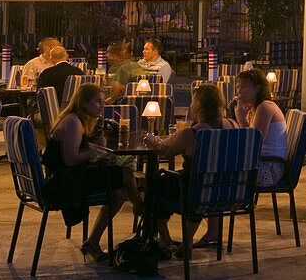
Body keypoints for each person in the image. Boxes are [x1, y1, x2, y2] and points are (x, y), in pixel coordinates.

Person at [43, 83, 143, 262]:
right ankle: (142, 210)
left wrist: (97, 146)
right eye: (98, 102)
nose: (102, 106)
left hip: (69, 177)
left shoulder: (77, 120)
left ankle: (92, 241)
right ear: (84, 103)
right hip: (63, 183)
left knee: (119, 192)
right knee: (126, 173)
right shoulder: (73, 122)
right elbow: (70, 159)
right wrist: (93, 152)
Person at [145, 83, 236, 251]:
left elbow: (166, 153)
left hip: (194, 193)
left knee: (156, 185)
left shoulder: (193, 133)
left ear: (198, 106)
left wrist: (152, 141)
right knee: (199, 182)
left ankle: (165, 239)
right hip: (224, 191)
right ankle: (187, 240)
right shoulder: (232, 125)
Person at [234, 69, 287, 187]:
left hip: (269, 169)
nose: (239, 91)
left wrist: (241, 119)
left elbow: (254, 143)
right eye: (238, 87)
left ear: (258, 88)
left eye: (244, 86)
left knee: (225, 171)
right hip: (261, 163)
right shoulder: (255, 109)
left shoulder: (265, 107)